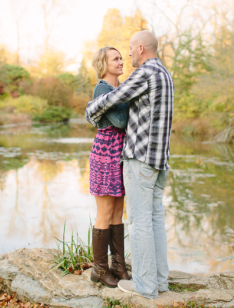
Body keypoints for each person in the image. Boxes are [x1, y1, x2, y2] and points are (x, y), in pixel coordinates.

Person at [86, 31, 174, 299]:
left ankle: (145, 286)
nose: (127, 57)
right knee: (155, 219)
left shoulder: (144, 73)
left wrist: (91, 109)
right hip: (159, 159)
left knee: (140, 222)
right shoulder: (165, 73)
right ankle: (158, 281)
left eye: (128, 51)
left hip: (140, 157)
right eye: (117, 56)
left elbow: (114, 102)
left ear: (140, 48)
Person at [89, 46, 132, 288]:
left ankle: (118, 265)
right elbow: (120, 120)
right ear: (104, 65)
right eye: (115, 59)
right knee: (105, 213)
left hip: (119, 153)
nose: (120, 61)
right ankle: (99, 269)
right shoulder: (102, 89)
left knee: (117, 212)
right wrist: (130, 101)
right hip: (105, 154)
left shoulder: (117, 89)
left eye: (120, 57)